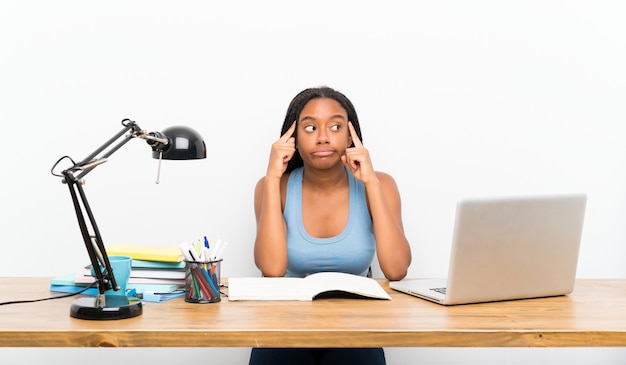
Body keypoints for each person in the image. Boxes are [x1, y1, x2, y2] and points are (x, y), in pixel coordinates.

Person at [250, 86, 412, 365]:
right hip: (286, 320)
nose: (323, 137)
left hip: (356, 324)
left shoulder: (381, 184)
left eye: (335, 126)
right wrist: (273, 178)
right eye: (310, 128)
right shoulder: (272, 187)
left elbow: (396, 270)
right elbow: (272, 270)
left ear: (351, 135)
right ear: (292, 138)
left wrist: (370, 182)